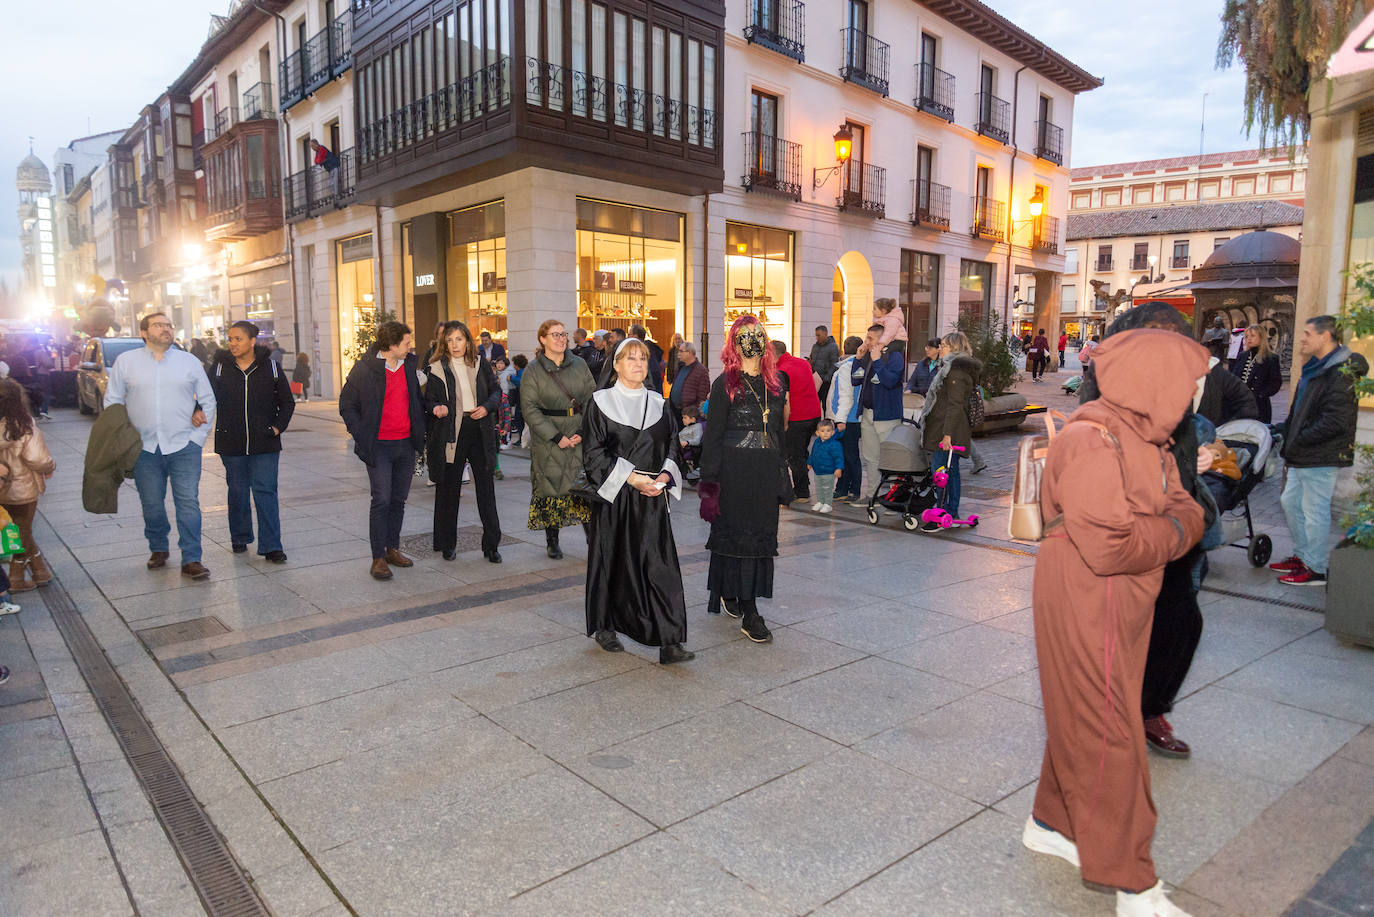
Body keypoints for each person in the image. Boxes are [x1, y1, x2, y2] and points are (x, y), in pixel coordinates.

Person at [1024, 328, 1208, 917]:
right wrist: (1176, 533)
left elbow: (1187, 507)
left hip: (1123, 594)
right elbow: (1111, 546)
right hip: (1088, 592)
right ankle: (1133, 882)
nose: (1194, 395)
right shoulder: (1093, 437)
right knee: (1109, 731)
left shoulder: (1146, 436)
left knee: (1092, 712)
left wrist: (1172, 528)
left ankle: (1052, 824)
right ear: (1154, 382)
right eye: (1189, 384)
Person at [1079, 301, 1218, 760]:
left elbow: (1185, 467)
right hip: (1125, 530)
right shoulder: (1104, 403)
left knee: (1181, 621)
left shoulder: (1184, 405)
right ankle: (1109, 716)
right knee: (1117, 630)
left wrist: (1195, 476)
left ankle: (1149, 708)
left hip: (1173, 532)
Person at [581, 337, 693, 664]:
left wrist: (662, 477)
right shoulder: (600, 402)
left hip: (652, 499)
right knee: (611, 562)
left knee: (661, 568)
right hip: (616, 497)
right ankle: (605, 626)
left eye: (643, 358)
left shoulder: (660, 403)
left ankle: (670, 641)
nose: (638, 364)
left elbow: (674, 447)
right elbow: (593, 454)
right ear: (615, 365)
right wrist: (632, 478)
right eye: (630, 358)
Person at [105, 312, 216, 579]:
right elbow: (112, 402)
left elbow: (208, 400)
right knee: (152, 503)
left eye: (169, 325)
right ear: (144, 333)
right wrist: (123, 439)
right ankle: (158, 547)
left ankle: (192, 558)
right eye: (159, 325)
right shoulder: (126, 362)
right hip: (143, 448)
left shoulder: (188, 361)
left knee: (188, 502)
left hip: (183, 445)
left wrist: (196, 439)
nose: (166, 329)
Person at [699, 315, 789, 644]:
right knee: (734, 535)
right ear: (735, 343)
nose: (753, 339)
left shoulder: (777, 383)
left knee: (759, 538)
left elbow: (779, 433)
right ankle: (744, 605)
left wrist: (783, 473)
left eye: (758, 334)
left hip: (764, 473)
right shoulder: (724, 384)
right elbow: (713, 437)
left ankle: (746, 601)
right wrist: (709, 485)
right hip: (733, 473)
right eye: (745, 335)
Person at [1270, 315, 1369, 587]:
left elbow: (1336, 422)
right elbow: (1299, 410)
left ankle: (1315, 568)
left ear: (1325, 337)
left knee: (1314, 511)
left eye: (1307, 333)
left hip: (1321, 455)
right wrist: (1283, 429)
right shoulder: (1315, 367)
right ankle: (1303, 556)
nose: (1302, 338)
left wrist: (1299, 439)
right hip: (1304, 454)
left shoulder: (1340, 372)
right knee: (1291, 503)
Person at [338, 320, 426, 581]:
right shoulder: (365, 369)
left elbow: (416, 401)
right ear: (391, 345)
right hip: (379, 447)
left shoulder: (409, 366)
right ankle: (377, 558)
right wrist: (361, 432)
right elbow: (347, 404)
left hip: (405, 444)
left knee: (398, 500)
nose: (411, 347)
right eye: (407, 343)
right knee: (381, 500)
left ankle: (392, 549)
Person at [209, 321, 294, 564]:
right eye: (230, 339)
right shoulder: (219, 368)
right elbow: (205, 396)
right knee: (237, 491)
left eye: (238, 339)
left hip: (265, 442)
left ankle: (271, 546)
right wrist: (196, 410)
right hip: (230, 442)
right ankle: (240, 535)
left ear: (252, 341)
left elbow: (287, 402)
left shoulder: (272, 368)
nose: (232, 343)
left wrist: (277, 427)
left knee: (265, 491)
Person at [424, 320, 503, 563]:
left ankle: (492, 546)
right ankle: (448, 544)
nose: (454, 344)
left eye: (459, 339)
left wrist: (486, 407)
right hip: (452, 434)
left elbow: (496, 393)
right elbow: (429, 400)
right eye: (449, 340)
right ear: (443, 343)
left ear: (468, 341)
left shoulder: (480, 364)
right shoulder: (436, 368)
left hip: (479, 430)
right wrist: (436, 407)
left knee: (486, 490)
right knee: (449, 491)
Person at [521, 320, 596, 559]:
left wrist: (583, 432)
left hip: (578, 433)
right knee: (551, 487)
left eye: (563, 334)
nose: (561, 339)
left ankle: (593, 539)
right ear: (542, 339)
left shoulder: (580, 364)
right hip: (549, 439)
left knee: (583, 488)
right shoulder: (533, 370)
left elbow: (592, 400)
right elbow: (530, 409)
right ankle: (552, 540)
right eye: (555, 335)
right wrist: (556, 437)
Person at [917, 331, 980, 532]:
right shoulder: (950, 368)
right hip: (944, 427)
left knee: (941, 472)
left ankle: (944, 513)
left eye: (944, 345)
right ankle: (950, 512)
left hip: (947, 430)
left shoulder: (955, 372)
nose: (940, 347)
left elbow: (955, 405)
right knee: (950, 472)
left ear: (954, 347)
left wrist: (947, 435)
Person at [0, 381, 56, 592]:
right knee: (22, 531)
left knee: (20, 530)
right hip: (22, 489)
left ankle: (41, 571)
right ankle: (15, 579)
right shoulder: (24, 426)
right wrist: (51, 465)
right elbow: (37, 459)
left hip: (1, 487)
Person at [851, 325, 906, 501]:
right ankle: (872, 494)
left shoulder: (895, 356)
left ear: (882, 340)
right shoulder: (868, 355)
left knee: (890, 457)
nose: (866, 342)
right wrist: (858, 359)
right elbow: (855, 380)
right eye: (866, 338)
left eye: (870, 339)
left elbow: (890, 381)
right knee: (870, 456)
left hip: (887, 415)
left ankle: (894, 496)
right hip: (868, 413)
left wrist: (877, 361)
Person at [772, 340, 822, 502]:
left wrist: (785, 423)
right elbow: (818, 381)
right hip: (814, 414)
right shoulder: (803, 363)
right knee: (801, 451)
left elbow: (785, 401)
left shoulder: (781, 370)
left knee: (795, 456)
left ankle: (802, 492)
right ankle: (804, 483)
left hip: (797, 417)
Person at [829, 336, 864, 503]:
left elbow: (844, 397)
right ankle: (848, 488)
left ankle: (848, 489)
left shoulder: (846, 368)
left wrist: (838, 419)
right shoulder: (859, 365)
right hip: (854, 418)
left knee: (847, 456)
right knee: (850, 455)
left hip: (846, 418)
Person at [1228, 325, 1282, 423]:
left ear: (1261, 337)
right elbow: (1234, 377)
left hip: (1259, 406)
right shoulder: (1242, 356)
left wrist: (1261, 395)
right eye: (1247, 336)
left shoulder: (1271, 358)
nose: (1249, 339)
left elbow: (1276, 383)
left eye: (1252, 336)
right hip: (1240, 404)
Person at [807, 419, 843, 514]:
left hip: (829, 471)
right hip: (818, 471)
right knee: (818, 487)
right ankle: (820, 501)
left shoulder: (835, 444)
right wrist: (809, 463)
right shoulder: (817, 442)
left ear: (832, 432)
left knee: (827, 488)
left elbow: (839, 457)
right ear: (817, 433)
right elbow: (813, 453)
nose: (825, 433)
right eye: (822, 431)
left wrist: (839, 468)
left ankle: (828, 504)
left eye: (828, 431)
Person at [669, 341, 710, 415]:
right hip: (675, 411)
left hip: (689, 414)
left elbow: (702, 396)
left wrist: (693, 413)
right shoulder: (680, 367)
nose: (678, 354)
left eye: (681, 351)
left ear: (690, 353)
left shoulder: (701, 371)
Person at [809, 325, 840, 406]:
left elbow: (834, 364)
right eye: (816, 335)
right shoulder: (815, 346)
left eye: (818, 335)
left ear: (825, 334)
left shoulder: (833, 347)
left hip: (826, 380)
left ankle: (827, 418)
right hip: (815, 379)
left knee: (826, 402)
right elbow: (812, 358)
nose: (817, 337)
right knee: (814, 401)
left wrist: (827, 378)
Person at [628, 324, 664, 393]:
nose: (627, 337)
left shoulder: (643, 351)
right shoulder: (650, 349)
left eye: (629, 334)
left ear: (635, 336)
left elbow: (653, 372)